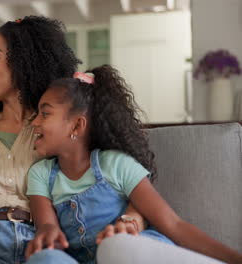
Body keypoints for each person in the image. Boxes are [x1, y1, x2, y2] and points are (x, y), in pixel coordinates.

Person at [0, 16, 145, 264]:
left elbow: (125, 189)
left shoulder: (60, 129)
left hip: (48, 247)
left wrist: (131, 221)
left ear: (25, 60)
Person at [23, 66, 242, 264]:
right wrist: (48, 235)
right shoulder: (41, 174)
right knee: (46, 259)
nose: (34, 122)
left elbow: (173, 224)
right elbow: (47, 224)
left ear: (77, 126)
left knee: (114, 246)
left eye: (45, 113)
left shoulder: (116, 164)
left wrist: (234, 258)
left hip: (129, 253)